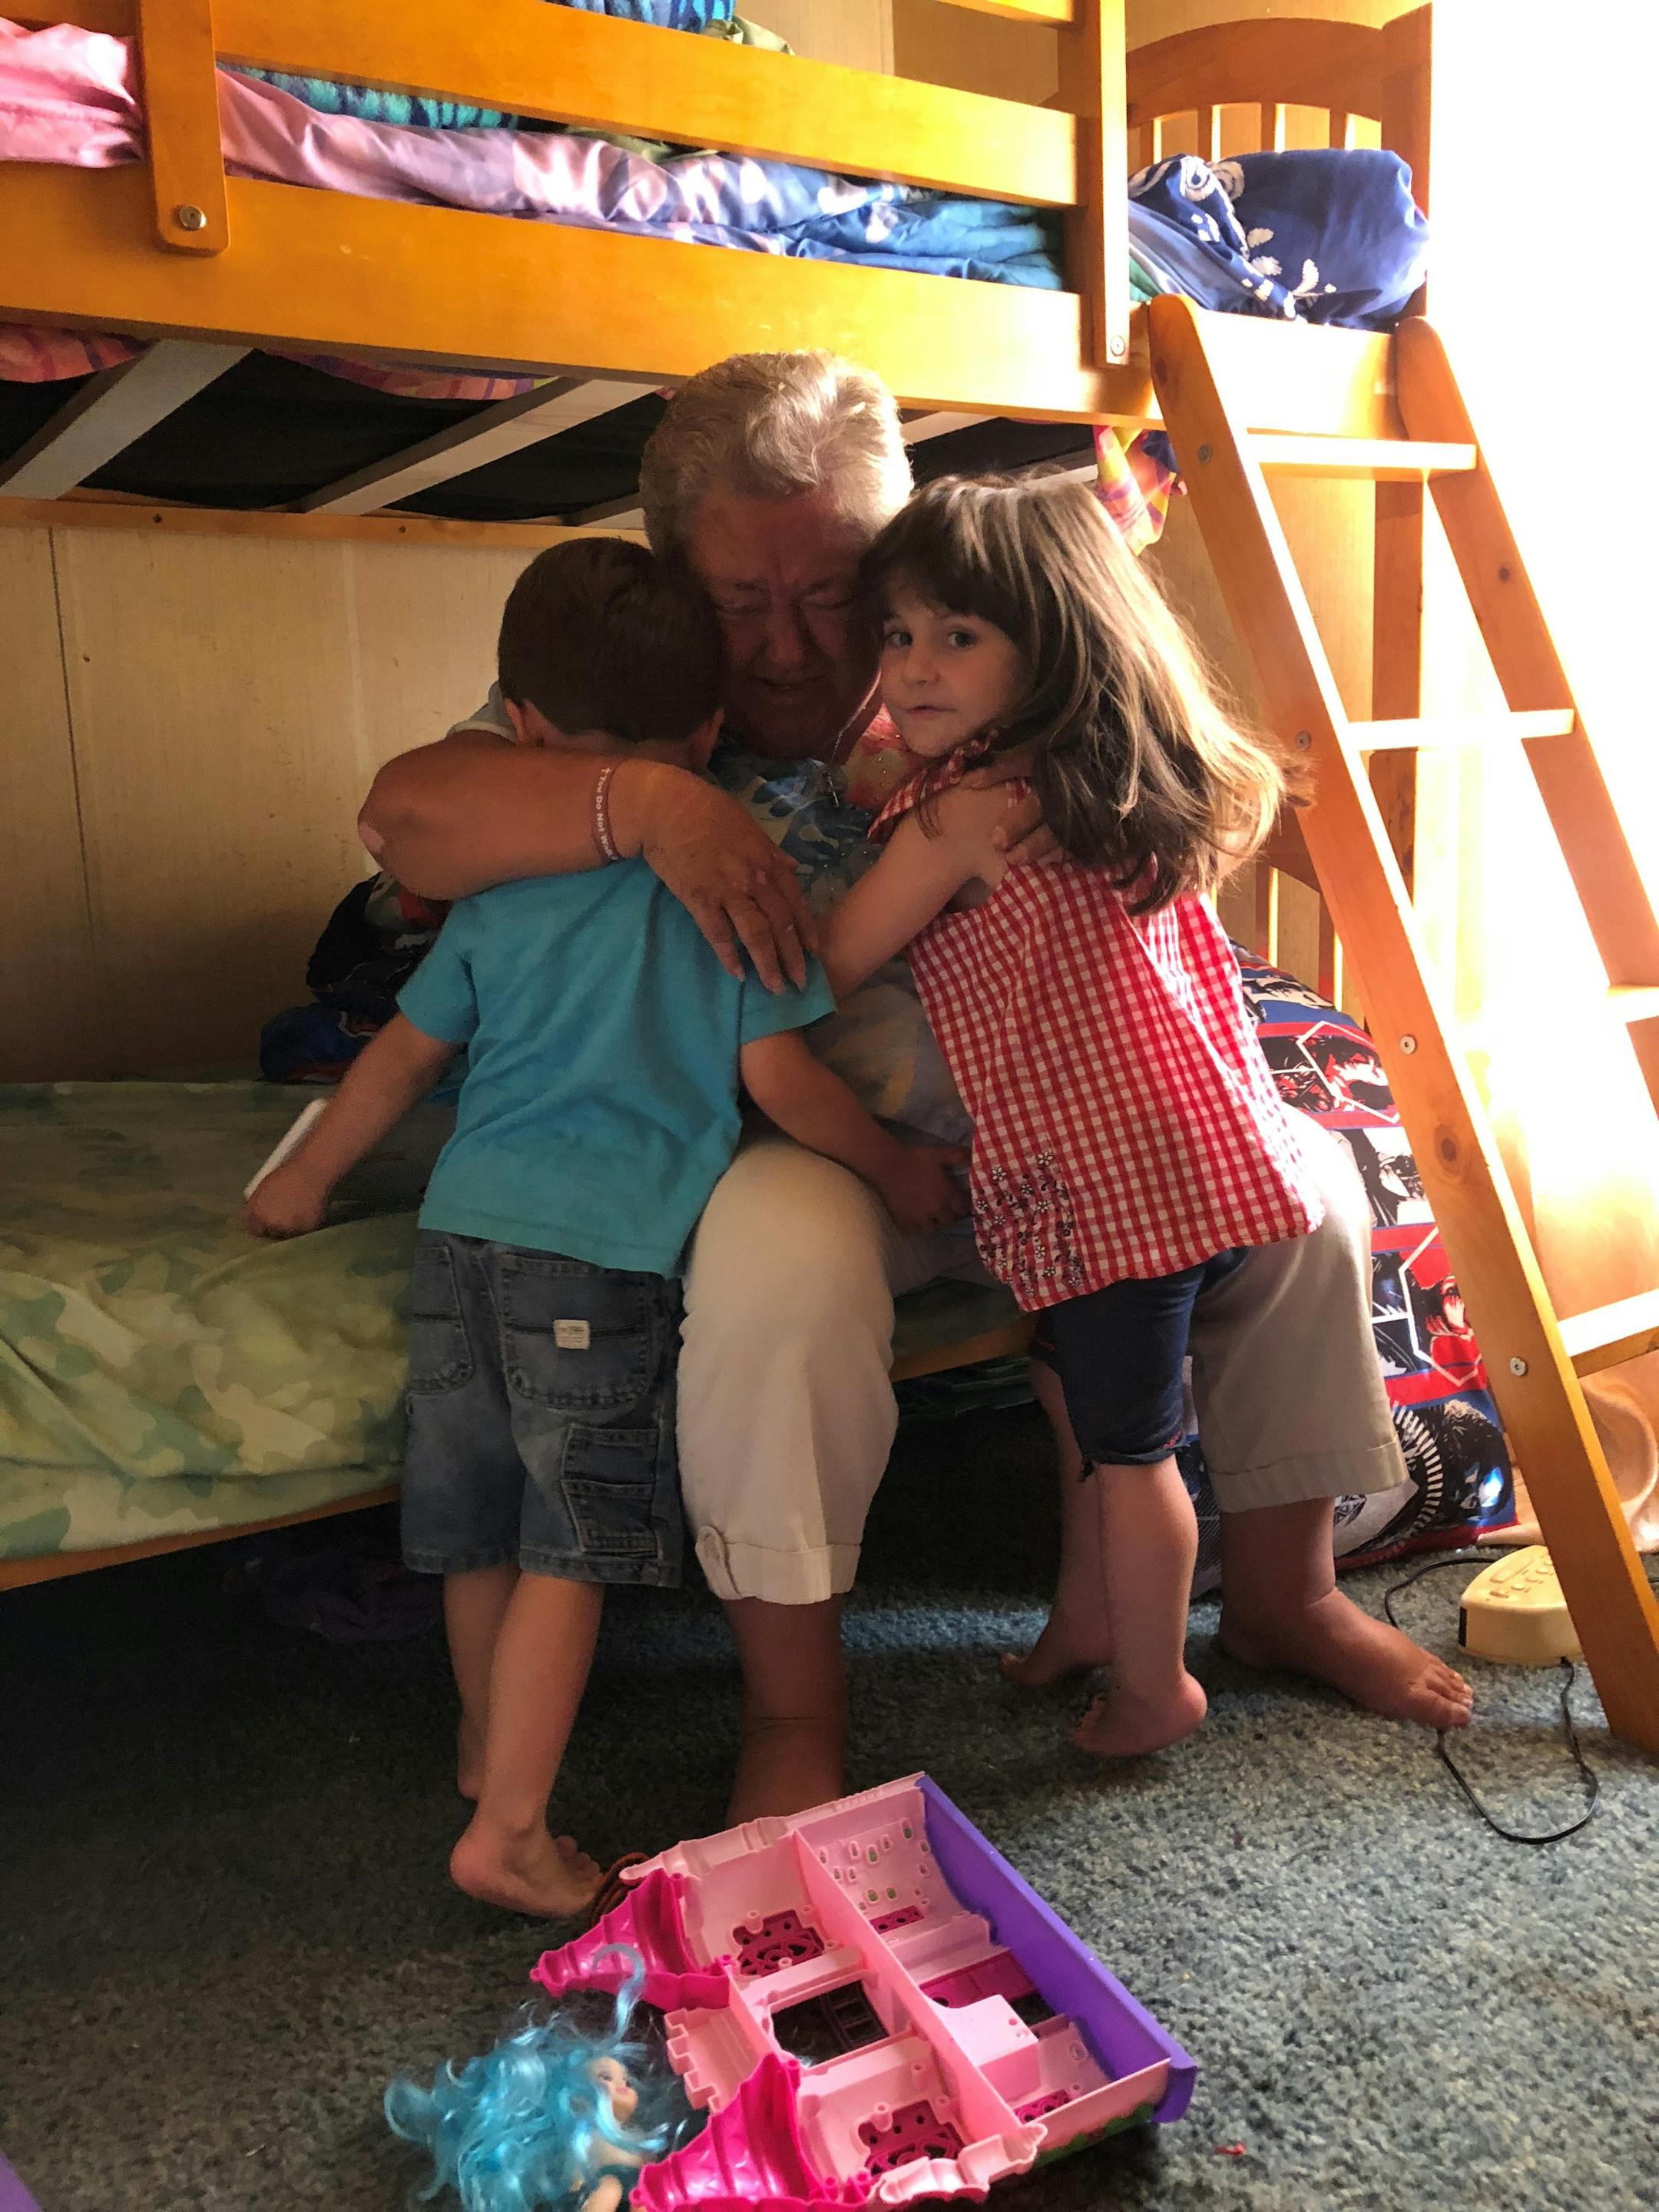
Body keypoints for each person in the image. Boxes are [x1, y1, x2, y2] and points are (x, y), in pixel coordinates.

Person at [358, 353, 1473, 1820]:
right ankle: (790, 1707)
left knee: (1310, 1179)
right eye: (740, 600)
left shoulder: (963, 683)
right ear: (669, 572)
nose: (786, 641)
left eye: (831, 595)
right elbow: (406, 816)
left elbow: (1170, 786)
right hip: (825, 1137)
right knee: (779, 1263)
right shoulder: (627, 706)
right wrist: (658, 805)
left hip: (1059, 1126)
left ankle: (1286, 1593)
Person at [246, 539, 965, 1915]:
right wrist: (897, 1169)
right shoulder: (725, 893)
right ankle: (511, 1828)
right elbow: (786, 1089)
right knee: (572, 1551)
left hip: (461, 1241)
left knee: (475, 1530)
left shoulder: (499, 890)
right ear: (708, 730)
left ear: (520, 726)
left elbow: (397, 1058)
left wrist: (302, 1183)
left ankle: (480, 1749)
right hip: (600, 1260)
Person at [823, 473, 1349, 1755]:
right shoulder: (1100, 771)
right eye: (898, 636)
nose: (915, 671)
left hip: (1110, 1188)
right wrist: (894, 752)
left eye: (960, 637)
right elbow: (877, 764)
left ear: (1052, 646)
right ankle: (1084, 1626)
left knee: (1131, 1455)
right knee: (1074, 1391)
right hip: (1198, 1154)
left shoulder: (962, 815)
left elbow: (830, 961)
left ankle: (1158, 1683)